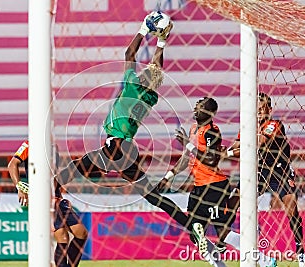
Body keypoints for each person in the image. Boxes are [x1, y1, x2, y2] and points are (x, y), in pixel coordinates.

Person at [55, 12, 203, 245]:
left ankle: (48, 201)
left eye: (144, 72)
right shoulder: (150, 95)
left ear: (144, 78)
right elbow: (156, 68)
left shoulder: (133, 85)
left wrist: (144, 29)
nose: (143, 70)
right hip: (125, 151)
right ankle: (190, 226)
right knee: (152, 197)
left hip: (116, 148)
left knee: (69, 171)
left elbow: (130, 54)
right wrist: (162, 40)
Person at [157, 97, 277, 267]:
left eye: (200, 108)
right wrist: (168, 176)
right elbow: (187, 157)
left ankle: (264, 261)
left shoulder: (211, 131)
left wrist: (187, 145)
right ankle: (250, 262)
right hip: (198, 188)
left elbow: (211, 160)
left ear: (210, 113)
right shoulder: (193, 129)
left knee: (223, 233)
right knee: (196, 234)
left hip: (214, 187)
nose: (195, 110)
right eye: (196, 107)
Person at [224, 92, 305, 267]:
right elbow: (237, 145)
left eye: (263, 109)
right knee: (232, 203)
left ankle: (301, 254)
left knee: (291, 208)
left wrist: (228, 153)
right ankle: (226, 240)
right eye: (257, 110)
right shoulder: (246, 128)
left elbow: (259, 142)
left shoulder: (274, 124)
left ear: (269, 110)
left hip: (280, 172)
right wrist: (224, 150)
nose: (260, 113)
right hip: (259, 172)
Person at [8, 140, 88, 267]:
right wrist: (19, 187)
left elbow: (53, 177)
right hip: (41, 199)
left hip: (56, 198)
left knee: (81, 232)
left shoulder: (54, 147)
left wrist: (60, 197)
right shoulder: (30, 144)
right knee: (62, 236)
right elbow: (12, 164)